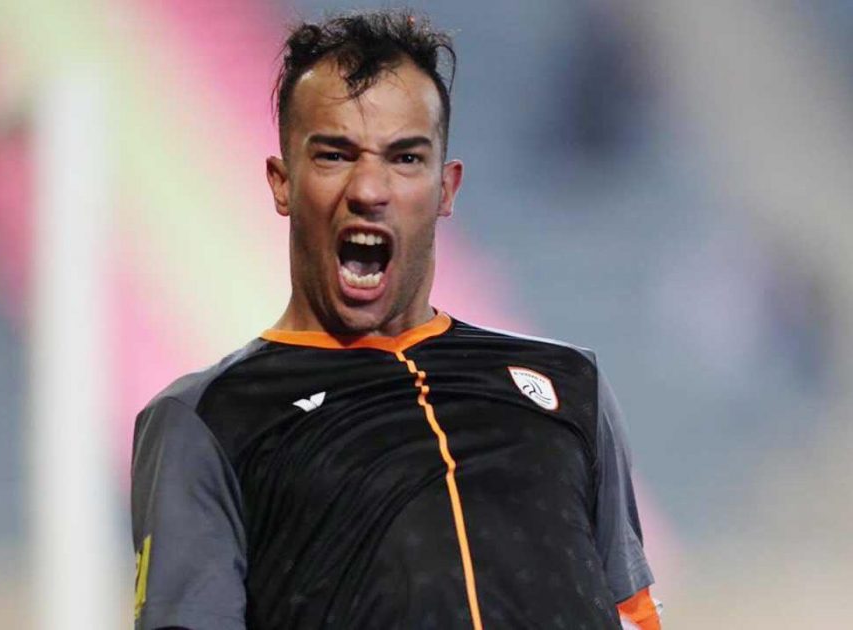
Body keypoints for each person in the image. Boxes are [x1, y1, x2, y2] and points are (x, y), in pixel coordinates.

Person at [131, 10, 660, 630]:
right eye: (335, 155)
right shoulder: (208, 417)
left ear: (445, 188)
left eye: (405, 158)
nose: (369, 190)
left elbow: (634, 614)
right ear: (282, 182)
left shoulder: (568, 384)